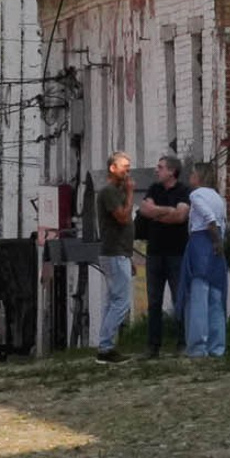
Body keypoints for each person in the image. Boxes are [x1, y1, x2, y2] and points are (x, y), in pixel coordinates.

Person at [135, 154, 191, 359]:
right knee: (154, 301)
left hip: (177, 252)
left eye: (160, 167)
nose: (156, 170)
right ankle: (153, 346)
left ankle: (183, 342)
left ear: (172, 171)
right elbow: (144, 210)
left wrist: (158, 213)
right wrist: (168, 211)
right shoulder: (154, 189)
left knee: (180, 299)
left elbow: (181, 216)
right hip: (155, 253)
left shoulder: (184, 191)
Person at [180, 160, 229, 360]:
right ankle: (217, 346)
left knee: (198, 297)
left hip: (201, 244)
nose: (190, 177)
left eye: (192, 173)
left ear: (199, 176)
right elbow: (223, 221)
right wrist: (219, 241)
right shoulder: (218, 197)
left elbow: (210, 219)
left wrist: (214, 237)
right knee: (216, 298)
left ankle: (198, 346)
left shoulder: (196, 194)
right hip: (216, 249)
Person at [91, 152, 135, 361]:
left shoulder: (114, 191)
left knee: (112, 301)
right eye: (124, 166)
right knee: (121, 302)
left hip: (119, 253)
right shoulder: (109, 192)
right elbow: (123, 217)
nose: (128, 170)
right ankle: (106, 346)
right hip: (114, 252)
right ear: (112, 168)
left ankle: (105, 345)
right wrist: (130, 193)